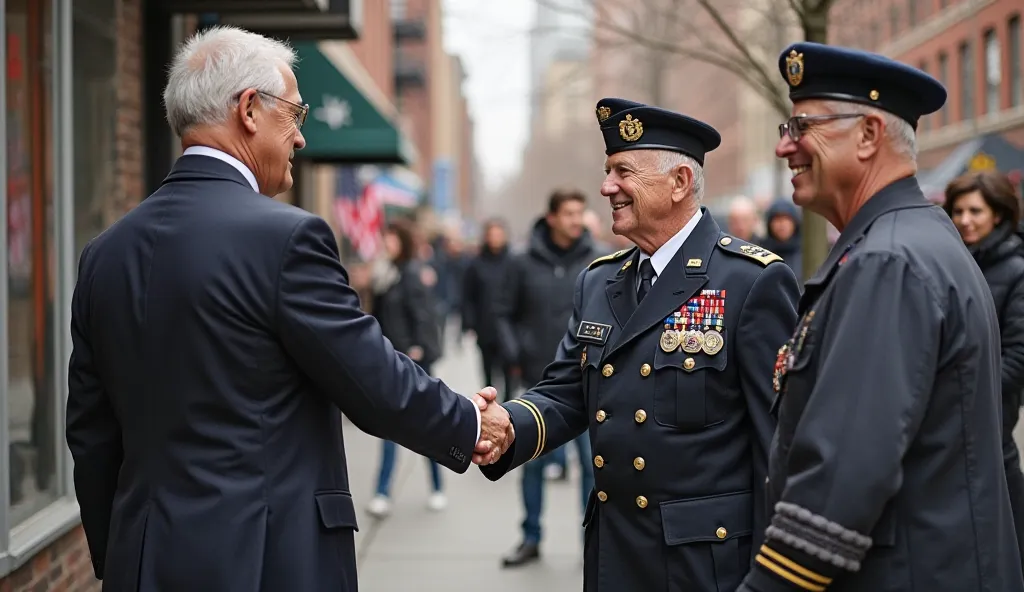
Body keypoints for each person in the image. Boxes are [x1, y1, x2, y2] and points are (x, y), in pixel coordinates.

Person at [64, 26, 512, 592]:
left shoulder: (103, 256)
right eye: (295, 115)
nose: (301, 138)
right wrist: (470, 421)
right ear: (249, 109)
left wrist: (123, 555)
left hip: (144, 562)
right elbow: (370, 378)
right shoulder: (287, 238)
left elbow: (90, 434)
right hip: (266, 562)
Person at [476, 97, 801, 591]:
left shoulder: (752, 281)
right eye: (608, 171)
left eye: (623, 171)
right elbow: (567, 391)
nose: (607, 187)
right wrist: (507, 425)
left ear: (679, 183)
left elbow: (778, 446)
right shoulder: (599, 282)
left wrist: (774, 578)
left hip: (705, 568)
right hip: (615, 557)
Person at [737, 42, 1024, 592]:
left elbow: (840, 478)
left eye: (802, 126)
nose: (784, 147)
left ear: (868, 135)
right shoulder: (916, 236)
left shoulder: (886, 262)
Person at [495, 188, 601, 568]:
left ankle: (593, 543)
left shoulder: (600, 261)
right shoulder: (522, 262)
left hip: (589, 385)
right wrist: (515, 354)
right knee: (532, 463)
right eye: (569, 213)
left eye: (580, 213)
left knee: (593, 466)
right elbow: (503, 312)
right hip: (538, 382)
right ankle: (530, 537)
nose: (576, 221)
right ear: (552, 217)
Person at [944, 170, 1024, 565]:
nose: (965, 219)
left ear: (998, 214)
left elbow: (1018, 358)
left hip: (992, 428)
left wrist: (965, 394)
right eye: (958, 210)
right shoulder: (952, 264)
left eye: (975, 210)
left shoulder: (1017, 271)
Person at [367, 220, 448, 518]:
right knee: (388, 429)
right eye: (384, 239)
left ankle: (438, 487)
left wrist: (422, 350)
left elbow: (425, 317)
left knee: (426, 428)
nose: (387, 244)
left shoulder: (412, 274)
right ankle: (382, 492)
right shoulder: (384, 274)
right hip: (389, 361)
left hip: (413, 363)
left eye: (392, 239)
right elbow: (374, 319)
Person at [462, 219, 517, 403]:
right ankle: (489, 404)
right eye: (492, 235)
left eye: (499, 235)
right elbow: (468, 296)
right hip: (485, 326)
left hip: (509, 328)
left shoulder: (514, 262)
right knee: (487, 372)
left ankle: (509, 405)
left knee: (509, 370)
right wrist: (469, 323)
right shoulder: (476, 264)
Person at [759, 199, 802, 280]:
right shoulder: (761, 252)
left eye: (787, 219)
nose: (782, 224)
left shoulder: (806, 253)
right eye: (777, 219)